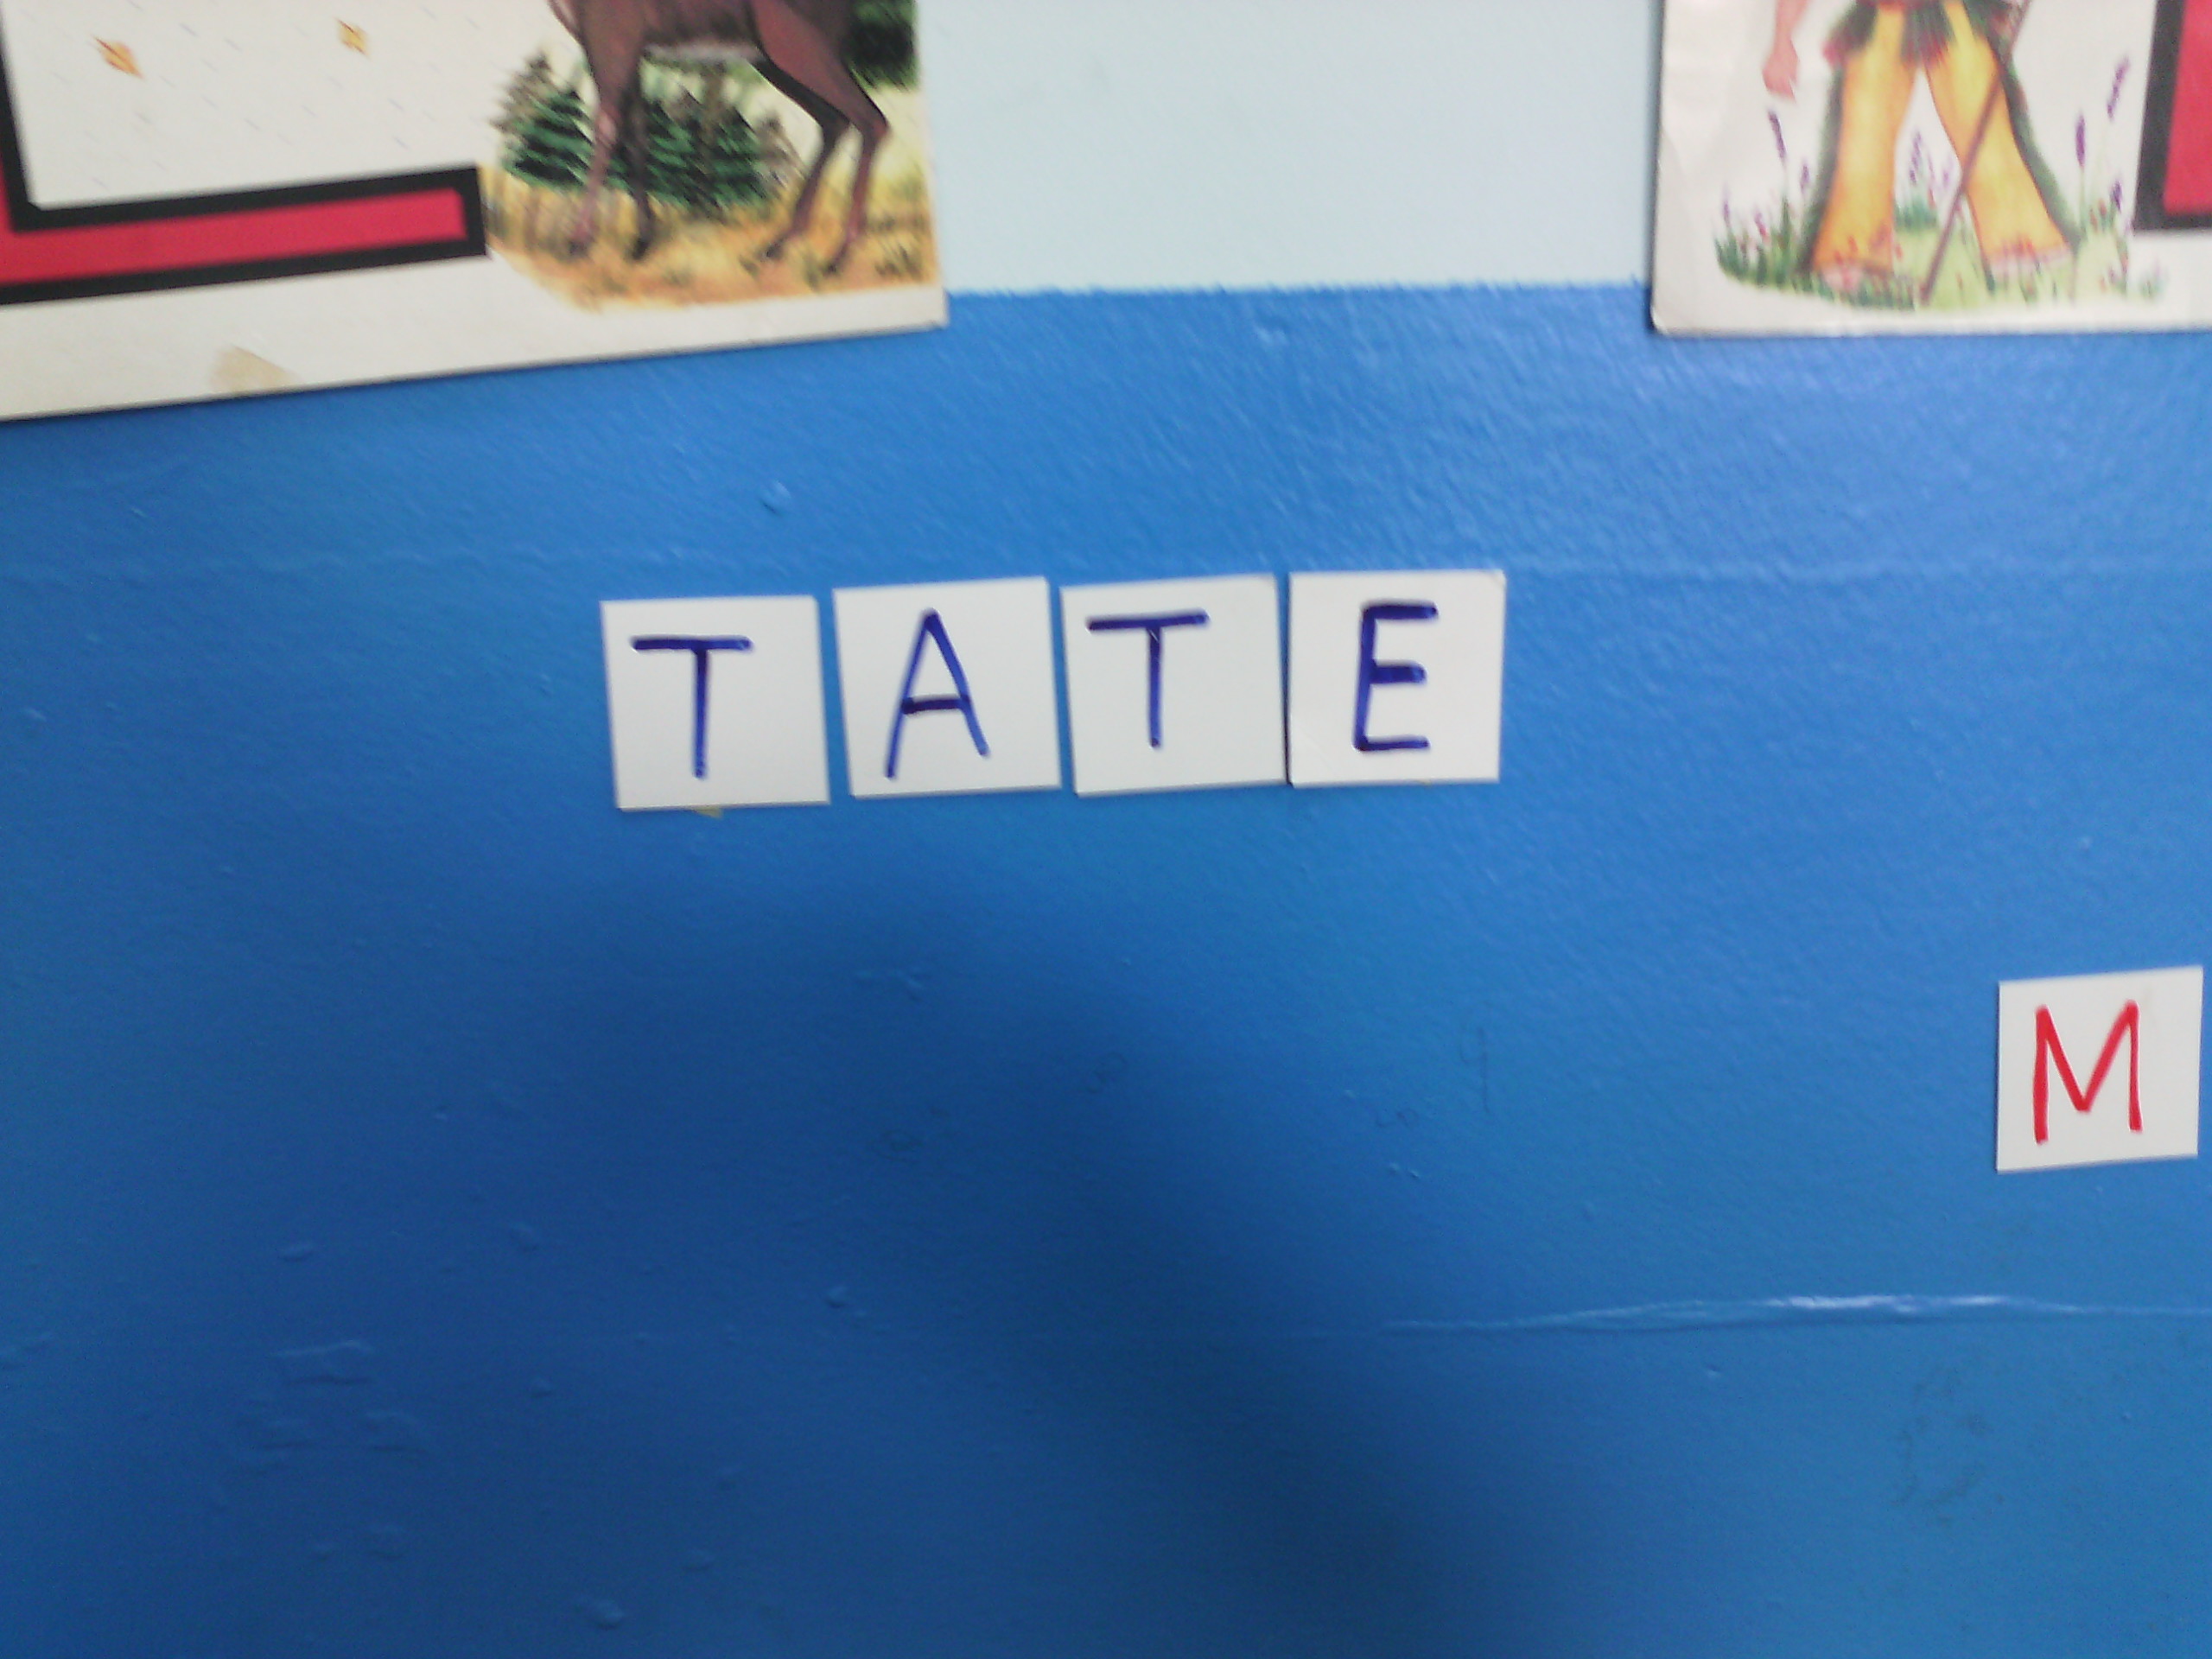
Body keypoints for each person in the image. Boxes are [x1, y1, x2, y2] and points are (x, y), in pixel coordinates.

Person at [1766, 0, 2072, 289]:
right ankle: (1853, 251)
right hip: (1881, 15)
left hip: (1954, 14)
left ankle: (2019, 240)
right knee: (1863, 136)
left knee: (1983, 122)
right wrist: (1782, 43)